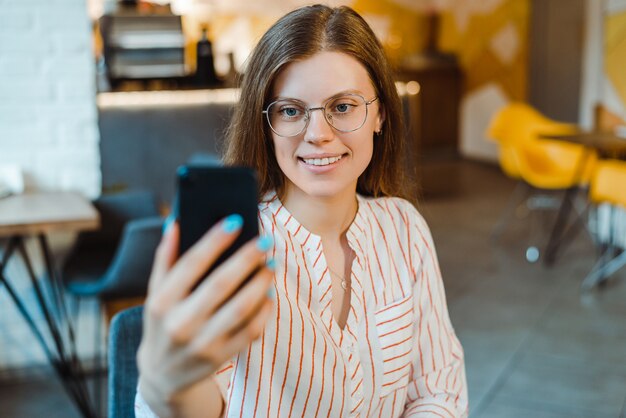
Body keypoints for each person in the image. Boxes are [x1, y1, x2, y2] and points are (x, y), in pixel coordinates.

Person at [135, 4, 468, 417]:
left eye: (343, 106)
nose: (318, 135)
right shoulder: (239, 248)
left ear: (380, 113)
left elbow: (437, 392)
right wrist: (166, 385)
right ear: (266, 124)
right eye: (291, 111)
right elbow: (197, 404)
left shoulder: (405, 228)